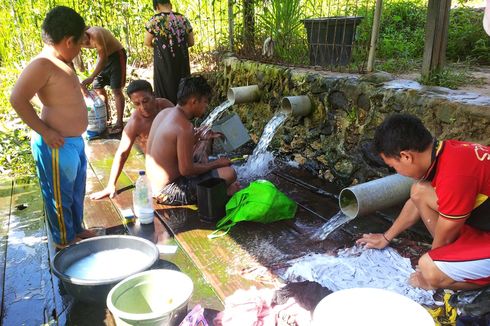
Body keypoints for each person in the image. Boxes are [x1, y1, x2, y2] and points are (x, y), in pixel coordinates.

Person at [356, 114, 490, 291]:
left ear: (405, 157)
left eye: (393, 166)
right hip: (483, 225)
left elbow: (447, 229)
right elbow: (416, 201)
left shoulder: (454, 175)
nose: (396, 171)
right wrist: (386, 237)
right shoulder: (447, 152)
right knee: (419, 190)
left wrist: (428, 268)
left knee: (429, 269)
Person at [9, 6, 95, 248]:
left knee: (75, 191)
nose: (80, 49)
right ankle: (64, 241)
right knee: (59, 197)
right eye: (80, 44)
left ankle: (76, 229)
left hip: (72, 141)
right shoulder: (43, 64)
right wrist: (45, 130)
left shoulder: (61, 60)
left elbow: (48, 95)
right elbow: (17, 98)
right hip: (56, 144)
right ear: (69, 41)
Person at [146, 76, 237, 205]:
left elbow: (171, 150)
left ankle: (221, 189)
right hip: (167, 191)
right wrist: (217, 163)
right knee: (229, 173)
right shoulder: (184, 127)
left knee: (204, 150)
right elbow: (186, 170)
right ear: (194, 101)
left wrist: (198, 139)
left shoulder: (165, 113)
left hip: (151, 183)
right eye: (205, 101)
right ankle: (223, 192)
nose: (206, 106)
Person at [90, 80, 173, 200]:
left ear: (153, 96)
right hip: (157, 167)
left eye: (146, 101)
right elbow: (122, 153)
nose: (143, 107)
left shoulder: (165, 106)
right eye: (137, 104)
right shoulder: (135, 123)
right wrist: (110, 185)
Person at [144, 0, 194, 104]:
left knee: (164, 90)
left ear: (157, 6)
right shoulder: (183, 19)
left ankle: (166, 115)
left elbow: (147, 42)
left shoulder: (154, 21)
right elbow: (191, 42)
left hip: (163, 62)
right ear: (170, 4)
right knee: (183, 87)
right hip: (181, 61)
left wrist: (160, 48)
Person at [80, 26, 127, 134]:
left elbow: (103, 57)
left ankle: (119, 122)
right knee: (98, 87)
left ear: (85, 32)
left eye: (83, 38)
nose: (83, 43)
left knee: (116, 90)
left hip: (116, 56)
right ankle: (105, 119)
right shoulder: (75, 41)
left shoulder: (95, 34)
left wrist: (92, 76)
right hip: (102, 58)